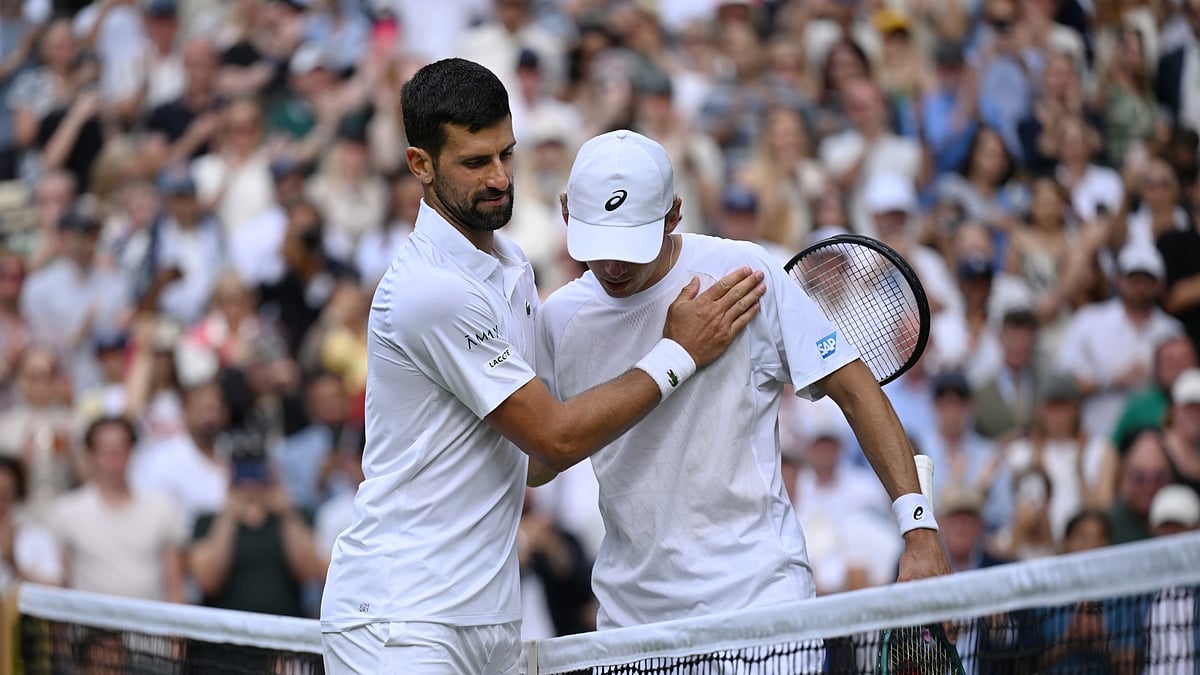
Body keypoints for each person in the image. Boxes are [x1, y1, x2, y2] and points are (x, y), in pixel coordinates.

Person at [319, 59, 765, 675]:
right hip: (401, 621)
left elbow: (538, 463)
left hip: (487, 620)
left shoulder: (513, 270)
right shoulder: (430, 291)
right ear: (420, 164)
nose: (500, 178)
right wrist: (679, 355)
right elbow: (552, 434)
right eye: (475, 163)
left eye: (506, 154)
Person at [536, 129, 952, 640]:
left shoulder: (745, 273)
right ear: (564, 213)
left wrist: (919, 528)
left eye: (631, 244)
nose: (613, 265)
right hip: (633, 625)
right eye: (598, 243)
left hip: (760, 600)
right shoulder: (558, 320)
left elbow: (855, 389)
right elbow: (538, 465)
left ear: (674, 215)